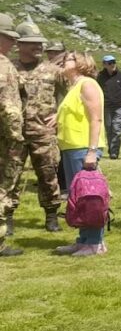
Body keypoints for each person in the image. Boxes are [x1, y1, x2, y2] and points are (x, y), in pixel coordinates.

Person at [10, 21, 64, 234]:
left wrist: (60, 114)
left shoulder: (53, 71)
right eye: (33, 43)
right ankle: (8, 218)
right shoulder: (9, 69)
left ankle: (51, 216)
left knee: (48, 175)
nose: (39, 47)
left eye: (40, 43)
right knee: (9, 176)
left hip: (43, 134)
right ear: (19, 45)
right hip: (13, 135)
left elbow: (73, 94)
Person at [54, 51, 107, 256]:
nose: (61, 62)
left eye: (67, 59)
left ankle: (94, 242)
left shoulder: (87, 84)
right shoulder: (74, 86)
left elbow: (96, 119)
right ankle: (84, 239)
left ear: (80, 64)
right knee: (79, 195)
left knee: (89, 195)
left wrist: (92, 151)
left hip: (83, 147)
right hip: (71, 147)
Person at [0, 13, 25, 257]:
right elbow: (9, 108)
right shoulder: (4, 66)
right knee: (3, 188)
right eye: (10, 38)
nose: (14, 44)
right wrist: (16, 138)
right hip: (3, 141)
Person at [97, 55, 121, 159]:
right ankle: (111, 149)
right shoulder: (100, 76)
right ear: (104, 64)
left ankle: (114, 152)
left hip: (120, 105)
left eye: (113, 62)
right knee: (108, 128)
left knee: (116, 128)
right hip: (106, 106)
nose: (112, 64)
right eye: (109, 63)